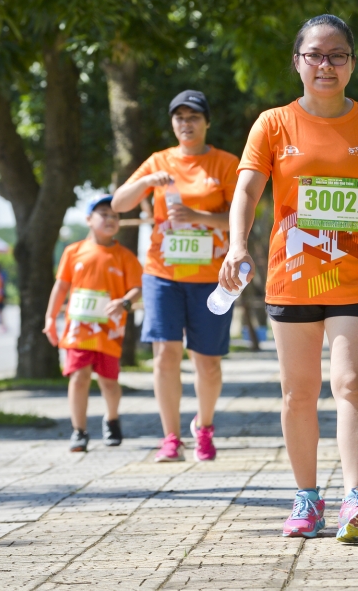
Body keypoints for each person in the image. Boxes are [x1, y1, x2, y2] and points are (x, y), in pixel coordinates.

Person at [219, 14, 358, 544]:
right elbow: (247, 192)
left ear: (352, 64)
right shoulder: (272, 124)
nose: (326, 64)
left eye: (337, 55)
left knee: (351, 385)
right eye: (315, 55)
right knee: (299, 393)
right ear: (298, 62)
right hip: (293, 277)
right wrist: (234, 245)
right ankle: (306, 497)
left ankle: (354, 498)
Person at [112, 90, 239, 462]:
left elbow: (239, 218)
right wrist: (148, 180)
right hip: (162, 272)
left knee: (207, 360)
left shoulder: (225, 164)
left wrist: (198, 218)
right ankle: (170, 437)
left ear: (206, 122)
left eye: (194, 117)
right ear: (173, 123)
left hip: (211, 276)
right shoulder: (159, 160)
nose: (186, 124)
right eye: (179, 117)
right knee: (165, 353)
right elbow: (119, 205)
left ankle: (204, 427)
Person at [43, 196, 142, 452]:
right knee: (78, 376)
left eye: (115, 216)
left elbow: (136, 289)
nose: (110, 219)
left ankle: (112, 419)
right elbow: (61, 286)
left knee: (109, 381)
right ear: (88, 219)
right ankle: (79, 431)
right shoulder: (73, 252)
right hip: (79, 328)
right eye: (103, 214)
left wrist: (125, 302)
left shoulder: (125, 256)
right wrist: (51, 318)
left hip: (109, 329)